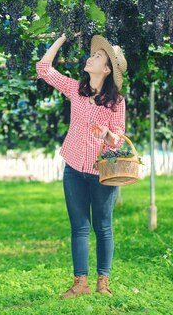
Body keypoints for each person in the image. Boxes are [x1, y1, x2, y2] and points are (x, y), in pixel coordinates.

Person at [35, 34, 128, 299]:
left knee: (103, 227)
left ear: (107, 69)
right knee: (79, 227)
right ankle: (80, 283)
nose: (91, 57)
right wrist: (62, 38)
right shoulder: (77, 89)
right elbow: (43, 69)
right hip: (74, 168)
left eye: (98, 56)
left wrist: (108, 136)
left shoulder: (116, 102)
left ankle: (103, 283)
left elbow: (119, 138)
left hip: (102, 172)